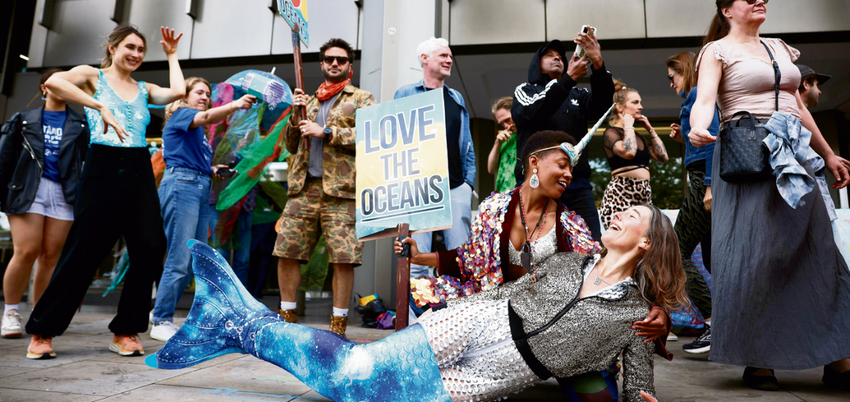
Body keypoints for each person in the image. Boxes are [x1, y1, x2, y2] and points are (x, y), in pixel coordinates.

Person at [147, 203, 687, 402]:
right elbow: (503, 281)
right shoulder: (569, 259)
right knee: (354, 369)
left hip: (503, 373)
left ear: (647, 243)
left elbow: (637, 384)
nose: (616, 214)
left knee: (368, 396)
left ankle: (233, 325)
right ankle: (241, 326)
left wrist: (648, 358)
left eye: (632, 216)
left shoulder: (636, 318)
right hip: (480, 320)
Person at [395, 130, 671, 401]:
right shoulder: (494, 208)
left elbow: (612, 270)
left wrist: (657, 309)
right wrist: (419, 257)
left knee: (600, 394)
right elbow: (470, 258)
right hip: (493, 308)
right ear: (534, 163)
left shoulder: (570, 226)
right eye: (562, 165)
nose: (569, 174)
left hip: (551, 328)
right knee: (425, 320)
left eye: (571, 168)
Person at [689, 0, 850, 391]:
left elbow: (797, 105)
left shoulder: (780, 47)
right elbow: (705, 99)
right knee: (756, 254)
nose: (760, 1)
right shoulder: (717, 50)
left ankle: (839, 357)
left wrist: (828, 153)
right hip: (748, 154)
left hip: (793, 151)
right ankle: (758, 359)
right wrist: (697, 127)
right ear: (727, 10)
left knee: (819, 250)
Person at [24, 25, 187, 359]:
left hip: (138, 167)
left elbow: (178, 92)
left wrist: (171, 55)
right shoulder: (92, 76)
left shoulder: (144, 88)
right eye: (130, 47)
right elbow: (55, 82)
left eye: (141, 50)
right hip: (102, 167)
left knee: (150, 247)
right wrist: (99, 107)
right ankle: (43, 330)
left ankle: (126, 330)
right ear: (112, 48)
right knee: (84, 251)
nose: (137, 54)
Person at [274, 37, 376, 338]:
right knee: (287, 252)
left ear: (349, 66)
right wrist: (296, 116)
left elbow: (371, 135)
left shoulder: (361, 98)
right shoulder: (309, 99)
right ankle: (287, 318)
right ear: (321, 64)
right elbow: (291, 145)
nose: (334, 63)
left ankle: (338, 325)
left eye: (341, 60)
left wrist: (327, 131)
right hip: (303, 188)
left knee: (344, 257)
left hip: (342, 191)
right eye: (329, 59)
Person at [149, 77, 256, 342]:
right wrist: (235, 105)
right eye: (199, 92)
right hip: (183, 186)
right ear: (184, 96)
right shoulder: (183, 114)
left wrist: (212, 169)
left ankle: (167, 316)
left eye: (208, 93)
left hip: (197, 186)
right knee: (179, 258)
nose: (205, 97)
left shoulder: (196, 130)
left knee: (195, 258)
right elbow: (207, 115)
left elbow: (188, 157)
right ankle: (160, 319)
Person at [0, 69, 89, 338]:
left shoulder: (80, 123)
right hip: (29, 190)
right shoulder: (23, 120)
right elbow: (5, 159)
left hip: (64, 193)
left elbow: (86, 162)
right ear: (44, 88)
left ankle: (41, 314)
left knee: (51, 256)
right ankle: (11, 312)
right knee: (26, 251)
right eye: (57, 83)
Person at [512, 30, 615, 241]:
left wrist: (598, 64)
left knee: (590, 246)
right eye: (549, 55)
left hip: (576, 185)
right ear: (536, 63)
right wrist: (567, 80)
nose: (557, 57)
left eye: (560, 56)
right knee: (535, 247)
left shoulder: (578, 94)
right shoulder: (525, 90)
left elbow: (602, 107)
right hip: (537, 184)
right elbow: (533, 111)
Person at [394, 37, 475, 279]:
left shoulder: (456, 98)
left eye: (450, 56)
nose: (450, 60)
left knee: (459, 258)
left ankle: (457, 315)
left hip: (455, 187)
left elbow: (468, 145)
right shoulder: (406, 94)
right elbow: (391, 140)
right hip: (419, 189)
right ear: (425, 59)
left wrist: (467, 184)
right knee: (415, 259)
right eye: (443, 55)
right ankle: (417, 316)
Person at [666, 52, 718, 354]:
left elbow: (712, 139)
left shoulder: (699, 94)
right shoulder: (699, 97)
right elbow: (701, 143)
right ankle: (729, 322)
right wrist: (683, 141)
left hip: (703, 182)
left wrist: (709, 187)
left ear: (685, 70)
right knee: (713, 260)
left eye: (672, 75)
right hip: (702, 179)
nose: (671, 83)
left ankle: (713, 324)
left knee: (675, 251)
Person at [600, 82, 669, 230]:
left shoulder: (638, 137)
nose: (641, 106)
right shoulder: (611, 133)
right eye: (635, 102)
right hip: (620, 197)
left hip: (643, 199)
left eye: (640, 102)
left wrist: (650, 129)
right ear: (620, 107)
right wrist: (628, 125)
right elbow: (629, 152)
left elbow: (663, 157)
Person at [487, 96, 517, 194]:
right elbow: (491, 169)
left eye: (507, 120)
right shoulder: (505, 138)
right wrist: (497, 143)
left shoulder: (529, 133)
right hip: (503, 196)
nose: (506, 126)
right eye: (502, 124)